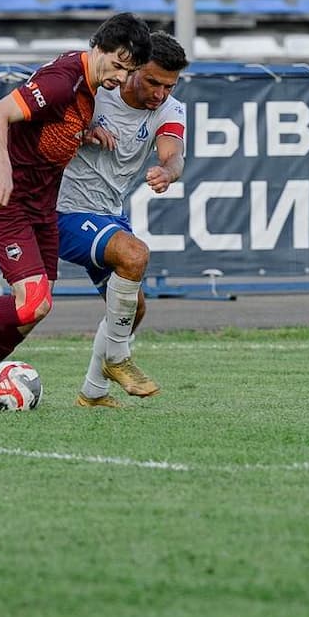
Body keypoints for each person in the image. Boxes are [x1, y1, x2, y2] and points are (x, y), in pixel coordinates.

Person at [0, 12, 153, 408]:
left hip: (41, 207)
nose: (121, 78)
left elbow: (48, 127)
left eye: (129, 72)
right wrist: (2, 169)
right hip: (6, 202)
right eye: (118, 65)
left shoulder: (87, 84)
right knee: (32, 302)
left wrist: (84, 133)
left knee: (34, 310)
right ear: (99, 47)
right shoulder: (61, 82)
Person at [55, 31, 189, 408]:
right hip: (62, 209)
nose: (160, 94)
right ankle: (117, 359)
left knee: (135, 309)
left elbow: (174, 153)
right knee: (134, 255)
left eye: (169, 86)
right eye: (153, 82)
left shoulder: (170, 109)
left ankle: (93, 392)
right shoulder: (98, 90)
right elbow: (47, 121)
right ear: (133, 69)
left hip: (107, 214)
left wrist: (168, 171)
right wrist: (80, 130)